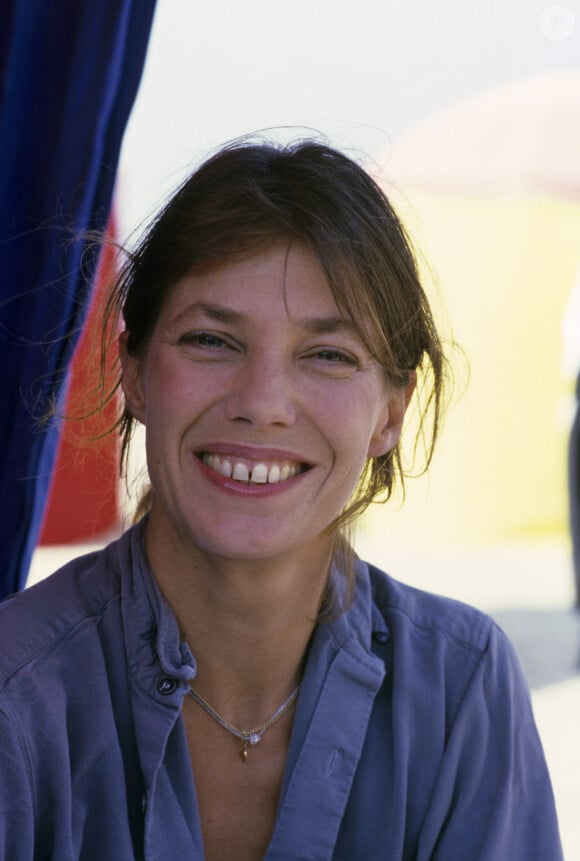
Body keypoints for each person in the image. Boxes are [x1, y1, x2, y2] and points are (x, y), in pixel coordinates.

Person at [0, 138, 563, 860]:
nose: (263, 403)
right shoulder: (18, 699)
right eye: (210, 340)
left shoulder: (460, 689)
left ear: (392, 412)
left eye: (328, 354)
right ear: (134, 372)